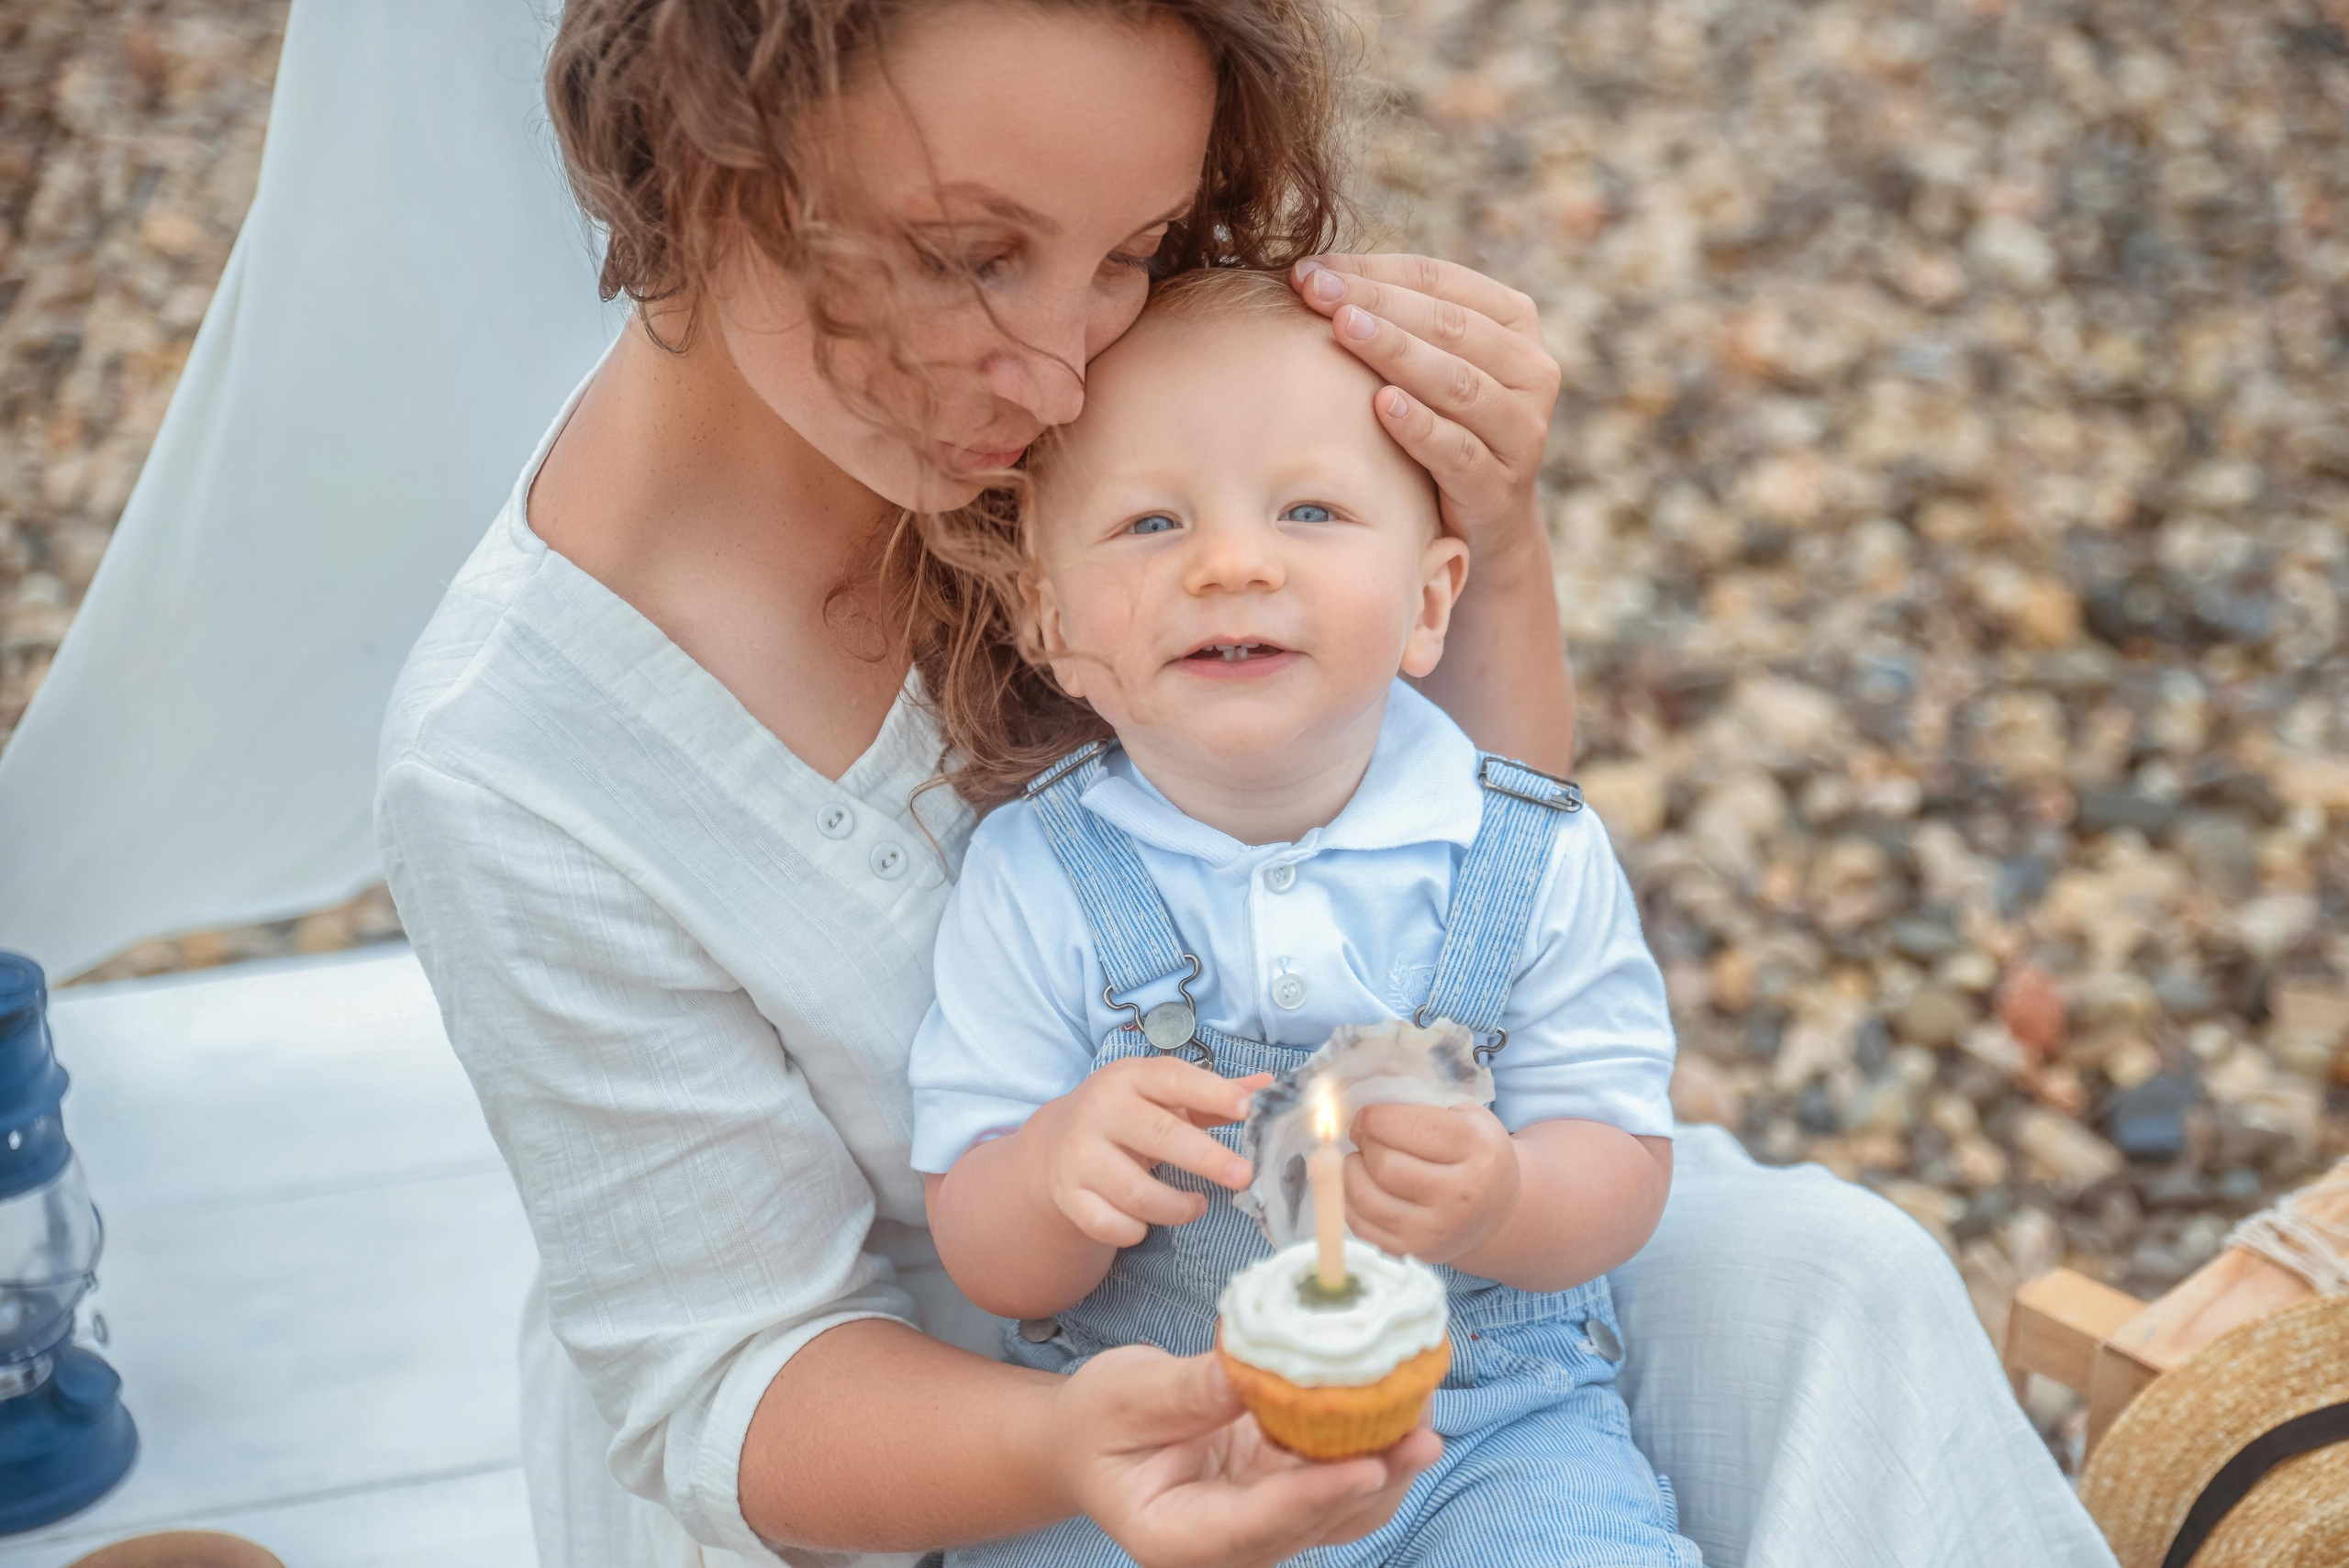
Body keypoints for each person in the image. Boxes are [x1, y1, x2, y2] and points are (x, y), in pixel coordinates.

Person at [373, 0, 2120, 1565]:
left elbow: (1483, 868)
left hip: (1426, 1296)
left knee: (1843, 1286)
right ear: (705, 151)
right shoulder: (514, 761)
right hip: (938, 1434)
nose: (1066, 370)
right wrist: (1076, 1441)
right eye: (972, 255)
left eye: (1130, 250)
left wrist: (1486, 525)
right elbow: (734, 1379)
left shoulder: (1144, 405)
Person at [912, 268, 1699, 1565]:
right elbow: (981, 1242)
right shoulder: (1038, 874)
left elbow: (1621, 1153)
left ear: (1431, 601)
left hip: (1481, 1429)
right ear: (1050, 621)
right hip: (1162, 1437)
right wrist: (1053, 1174)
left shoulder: (1521, 847)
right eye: (1152, 522)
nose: (1232, 562)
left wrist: (1505, 1197)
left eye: (1311, 511)